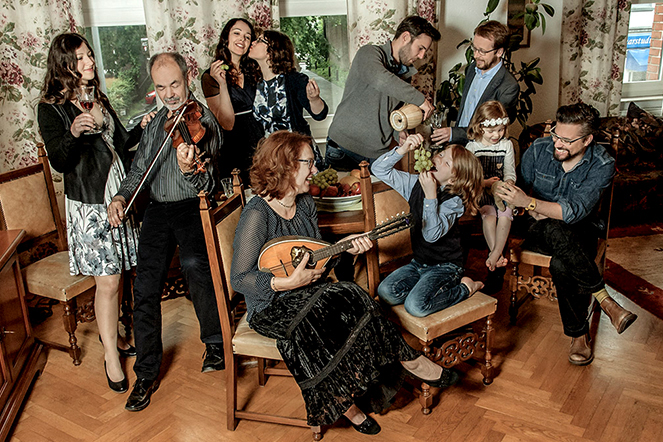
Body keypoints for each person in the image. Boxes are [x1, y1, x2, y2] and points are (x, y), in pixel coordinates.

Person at [230, 130, 458, 434]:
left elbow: (316, 257)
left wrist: (343, 248)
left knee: (348, 294)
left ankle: (396, 367)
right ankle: (359, 396)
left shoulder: (305, 203)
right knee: (319, 315)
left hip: (309, 293)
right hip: (270, 306)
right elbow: (239, 278)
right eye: (309, 163)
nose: (315, 169)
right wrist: (286, 283)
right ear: (287, 166)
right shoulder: (257, 214)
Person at [107, 52, 225, 412]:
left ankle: (215, 342)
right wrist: (121, 195)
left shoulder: (203, 121)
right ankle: (145, 373)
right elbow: (138, 170)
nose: (170, 93)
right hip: (158, 209)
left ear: (187, 78)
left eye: (174, 84)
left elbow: (209, 181)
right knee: (144, 286)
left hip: (192, 205)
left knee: (194, 264)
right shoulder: (156, 124)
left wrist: (191, 170)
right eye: (161, 87)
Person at [37, 33, 152, 394]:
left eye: (89, 55)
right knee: (108, 280)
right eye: (81, 58)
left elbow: (119, 144)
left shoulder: (96, 96)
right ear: (64, 65)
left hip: (117, 193)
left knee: (118, 273)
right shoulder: (51, 108)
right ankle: (110, 357)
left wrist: (140, 128)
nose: (90, 62)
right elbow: (60, 162)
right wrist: (72, 132)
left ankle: (113, 334)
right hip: (89, 202)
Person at [495, 103, 637, 366]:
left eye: (567, 140)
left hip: (581, 229)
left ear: (587, 140)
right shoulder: (538, 149)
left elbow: (573, 212)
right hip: (537, 228)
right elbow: (517, 195)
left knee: (562, 263)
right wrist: (519, 200)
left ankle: (579, 334)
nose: (558, 144)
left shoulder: (602, 164)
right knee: (552, 227)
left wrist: (532, 203)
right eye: (556, 136)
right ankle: (604, 300)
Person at [371, 133, 485, 317]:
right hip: (419, 263)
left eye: (446, 163)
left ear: (453, 180)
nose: (438, 159)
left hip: (446, 267)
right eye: (441, 154)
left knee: (416, 306)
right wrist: (403, 149)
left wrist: (431, 196)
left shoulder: (454, 201)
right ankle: (425, 289)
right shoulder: (413, 184)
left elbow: (431, 235)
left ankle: (465, 288)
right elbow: (378, 169)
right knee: (385, 292)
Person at [327, 15, 440, 170]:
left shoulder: (405, 73)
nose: (421, 56)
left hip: (376, 155)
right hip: (343, 149)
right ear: (405, 37)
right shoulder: (368, 53)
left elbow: (392, 111)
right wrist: (420, 100)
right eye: (420, 48)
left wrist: (399, 132)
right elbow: (381, 80)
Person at [432, 20, 519, 147]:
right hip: (459, 147)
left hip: (481, 152)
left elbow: (491, 129)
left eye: (482, 51)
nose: (476, 55)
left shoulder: (509, 86)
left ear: (499, 52)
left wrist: (454, 134)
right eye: (475, 49)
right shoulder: (472, 68)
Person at [248, 30, 328, 166]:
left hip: (298, 155)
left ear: (273, 50)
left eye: (260, 40)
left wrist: (314, 99)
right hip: (272, 158)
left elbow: (320, 115)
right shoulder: (254, 83)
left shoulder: (294, 80)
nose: (253, 42)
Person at [201, 18, 263, 184]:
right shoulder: (210, 76)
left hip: (260, 142)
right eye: (237, 33)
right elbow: (226, 123)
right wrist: (222, 84)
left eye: (247, 37)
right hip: (232, 146)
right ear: (226, 38)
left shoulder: (254, 70)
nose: (242, 39)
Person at [465, 100, 516, 291]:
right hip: (481, 190)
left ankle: (494, 253)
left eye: (500, 130)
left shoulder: (507, 145)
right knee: (489, 215)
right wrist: (485, 183)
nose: (496, 135)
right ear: (480, 127)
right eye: (491, 131)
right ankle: (497, 255)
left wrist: (508, 183)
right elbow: (469, 177)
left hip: (500, 190)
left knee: (506, 213)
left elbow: (510, 171)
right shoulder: (473, 147)